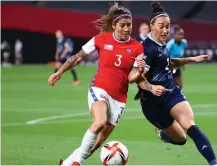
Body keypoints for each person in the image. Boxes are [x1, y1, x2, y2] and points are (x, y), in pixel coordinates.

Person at [48, 3, 166, 166]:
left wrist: (143, 76)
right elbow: (77, 57)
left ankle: (67, 164)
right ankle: (78, 163)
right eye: (122, 25)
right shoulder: (101, 39)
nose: (126, 29)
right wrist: (59, 72)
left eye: (129, 25)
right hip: (99, 89)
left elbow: (132, 78)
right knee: (99, 122)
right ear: (114, 25)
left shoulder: (137, 47)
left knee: (96, 145)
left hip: (119, 99)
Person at [135, 2, 217, 165]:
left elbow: (168, 62)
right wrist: (152, 88)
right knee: (181, 139)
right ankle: (162, 133)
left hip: (171, 92)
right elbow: (138, 79)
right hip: (153, 105)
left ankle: (215, 164)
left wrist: (191, 59)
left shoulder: (162, 43)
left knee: (191, 127)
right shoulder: (146, 49)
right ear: (152, 26)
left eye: (168, 26)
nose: (166, 30)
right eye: (162, 26)